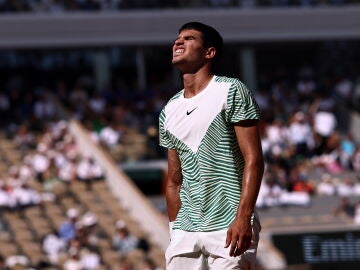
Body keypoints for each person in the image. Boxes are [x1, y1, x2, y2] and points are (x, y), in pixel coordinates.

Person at [159, 22, 264, 269]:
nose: (178, 42)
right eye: (177, 38)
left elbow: (254, 159)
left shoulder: (231, 90)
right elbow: (174, 180)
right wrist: (175, 229)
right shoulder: (169, 109)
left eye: (189, 38)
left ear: (209, 52)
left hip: (229, 224)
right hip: (185, 229)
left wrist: (243, 218)